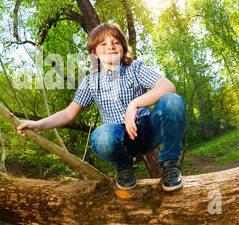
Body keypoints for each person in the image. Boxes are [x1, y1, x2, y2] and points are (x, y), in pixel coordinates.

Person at [17, 23, 187, 191]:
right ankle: (124, 169)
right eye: (103, 44)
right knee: (101, 136)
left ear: (123, 47)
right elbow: (69, 114)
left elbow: (168, 87)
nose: (110, 47)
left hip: (148, 131)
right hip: (120, 141)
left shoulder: (136, 68)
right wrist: (38, 124)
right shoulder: (91, 81)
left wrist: (134, 104)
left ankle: (170, 166)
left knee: (173, 101)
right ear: (94, 53)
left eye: (115, 42)